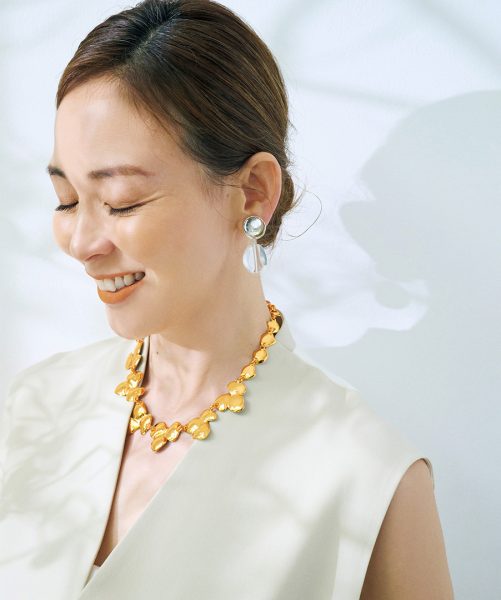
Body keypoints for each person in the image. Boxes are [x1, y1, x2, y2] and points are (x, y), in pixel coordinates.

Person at [0, 0, 454, 598]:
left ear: (253, 192)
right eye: (66, 200)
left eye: (122, 202)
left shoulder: (365, 476)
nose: (82, 243)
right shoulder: (34, 406)